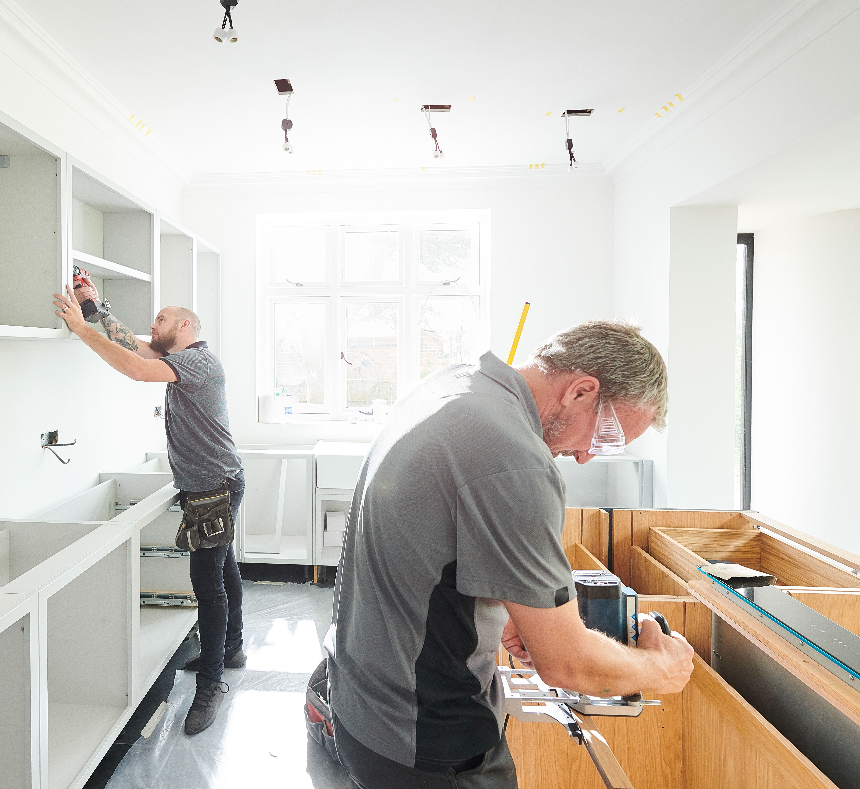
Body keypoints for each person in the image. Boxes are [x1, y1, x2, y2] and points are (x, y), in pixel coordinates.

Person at [328, 320, 696, 788]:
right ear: (581, 391)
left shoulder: (458, 385)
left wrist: (513, 612)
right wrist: (662, 669)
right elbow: (567, 664)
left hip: (365, 707)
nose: (586, 456)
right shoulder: (514, 458)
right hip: (427, 742)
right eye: (604, 437)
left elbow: (429, 539)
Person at [54, 280, 245, 736]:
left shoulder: (198, 363)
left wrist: (81, 329)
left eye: (160, 319)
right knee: (225, 568)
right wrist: (95, 310)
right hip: (213, 484)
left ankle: (211, 684)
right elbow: (135, 347)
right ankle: (232, 648)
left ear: (183, 326)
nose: (152, 325)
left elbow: (138, 369)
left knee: (208, 583)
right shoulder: (181, 359)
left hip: (213, 488)